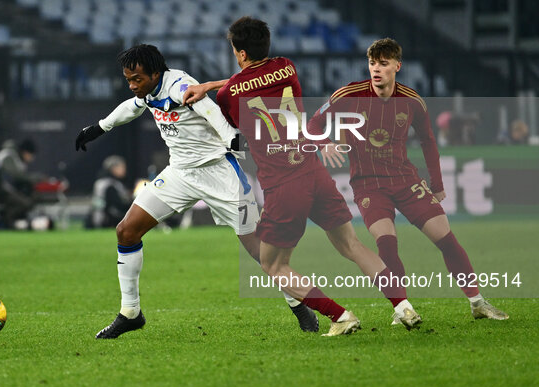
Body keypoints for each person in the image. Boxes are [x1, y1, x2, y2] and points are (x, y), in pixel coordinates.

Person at [183, 17, 421, 336]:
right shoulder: (287, 67)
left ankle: (340, 316)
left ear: (239, 54)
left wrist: (208, 88)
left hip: (283, 185)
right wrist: (214, 84)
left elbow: (234, 102)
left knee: (273, 264)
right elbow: (254, 80)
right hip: (313, 171)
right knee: (352, 244)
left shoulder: (228, 94)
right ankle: (403, 305)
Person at [75, 44, 318, 339]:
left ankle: (300, 306)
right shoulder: (147, 92)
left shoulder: (181, 86)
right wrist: (99, 127)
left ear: (156, 73)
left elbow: (211, 110)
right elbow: (133, 106)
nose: (132, 85)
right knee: (126, 231)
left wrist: (232, 140)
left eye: (137, 79)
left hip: (220, 173)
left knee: (261, 252)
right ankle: (130, 313)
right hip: (180, 173)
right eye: (128, 79)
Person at [308, 37, 508, 321]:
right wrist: (324, 144)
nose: (376, 69)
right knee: (387, 243)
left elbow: (428, 142)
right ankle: (401, 307)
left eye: (383, 64)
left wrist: (437, 185)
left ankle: (478, 303)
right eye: (372, 63)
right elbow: (314, 122)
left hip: (405, 180)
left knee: (446, 240)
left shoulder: (412, 101)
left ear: (397, 66)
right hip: (368, 184)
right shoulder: (348, 95)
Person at [0, 139, 42, 229]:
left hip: (7, 189)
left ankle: (8, 222)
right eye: (31, 155)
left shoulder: (16, 158)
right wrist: (36, 178)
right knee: (25, 203)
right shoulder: (7, 155)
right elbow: (16, 175)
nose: (31, 159)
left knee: (31, 198)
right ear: (26, 152)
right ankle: (5, 222)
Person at [85, 155, 132, 229]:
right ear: (113, 168)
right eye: (122, 167)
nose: (124, 170)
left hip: (94, 218)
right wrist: (134, 202)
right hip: (104, 220)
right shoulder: (110, 184)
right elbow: (117, 206)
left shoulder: (102, 181)